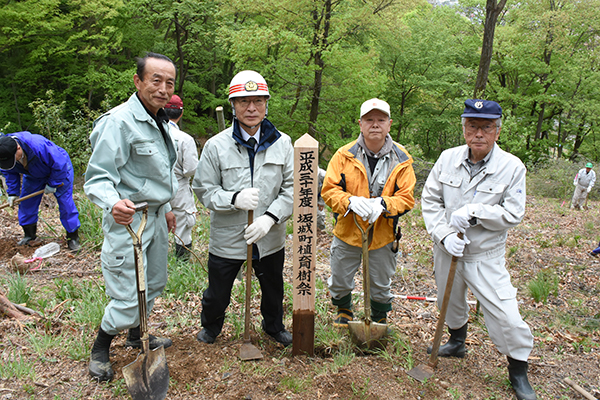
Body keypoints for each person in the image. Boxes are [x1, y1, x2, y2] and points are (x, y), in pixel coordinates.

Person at [421, 99, 536, 400]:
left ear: (497, 131)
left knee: (506, 313)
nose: (479, 133)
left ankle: (518, 370)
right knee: (451, 304)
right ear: (464, 128)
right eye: (472, 126)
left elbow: (513, 213)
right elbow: (430, 201)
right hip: (448, 248)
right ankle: (456, 341)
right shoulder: (447, 159)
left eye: (486, 127)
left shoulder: (512, 167)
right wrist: (444, 235)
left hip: (485, 255)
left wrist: (475, 211)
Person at [83, 52, 178, 382]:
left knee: (152, 283)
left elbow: (156, 175)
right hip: (129, 219)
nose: (163, 88)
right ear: (138, 81)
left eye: (169, 82)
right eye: (156, 80)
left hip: (154, 217)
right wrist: (113, 203)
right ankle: (100, 348)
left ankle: (139, 334)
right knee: (126, 294)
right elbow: (97, 177)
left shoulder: (159, 119)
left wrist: (165, 210)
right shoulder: (118, 122)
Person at [193, 70, 294, 346]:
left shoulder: (283, 143)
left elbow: (291, 189)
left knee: (273, 289)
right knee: (218, 293)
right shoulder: (216, 146)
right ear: (233, 106)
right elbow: (203, 189)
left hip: (269, 237)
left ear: (266, 104)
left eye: (258, 101)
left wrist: (270, 218)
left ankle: (273, 326)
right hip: (228, 237)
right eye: (243, 101)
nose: (251, 108)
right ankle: (211, 326)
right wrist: (233, 198)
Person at [321, 98, 416, 328]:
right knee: (340, 278)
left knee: (381, 282)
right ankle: (344, 310)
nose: (375, 125)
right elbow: (329, 190)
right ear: (360, 124)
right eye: (369, 120)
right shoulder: (344, 155)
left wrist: (384, 204)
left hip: (383, 234)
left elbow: (406, 198)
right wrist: (349, 201)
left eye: (381, 120)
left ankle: (379, 316)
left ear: (389, 124)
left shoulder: (402, 159)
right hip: (348, 232)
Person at [0, 132, 81, 251]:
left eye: (13, 159)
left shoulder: (38, 146)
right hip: (33, 174)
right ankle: (29, 235)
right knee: (27, 202)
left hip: (60, 171)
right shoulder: (4, 150)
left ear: (18, 148)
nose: (11, 162)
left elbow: (59, 163)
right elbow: (9, 172)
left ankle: (73, 237)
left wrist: (54, 183)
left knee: (65, 202)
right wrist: (13, 193)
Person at [165, 94, 199, 260]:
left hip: (155, 188)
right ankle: (181, 263)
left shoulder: (151, 133)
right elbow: (190, 169)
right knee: (184, 226)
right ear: (181, 113)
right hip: (179, 187)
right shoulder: (185, 139)